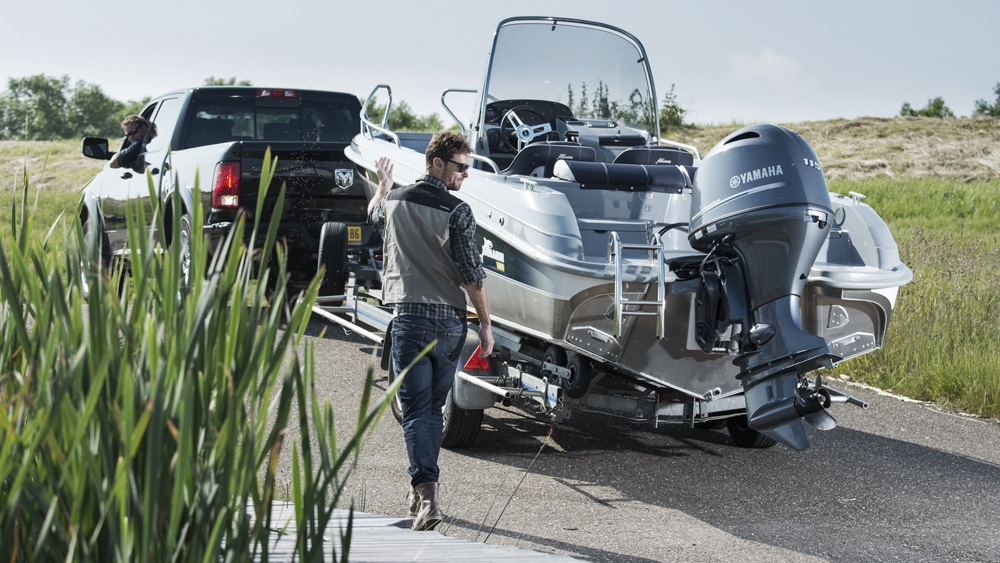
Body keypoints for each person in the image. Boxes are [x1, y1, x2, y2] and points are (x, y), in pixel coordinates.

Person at [367, 131, 495, 531]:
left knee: (418, 413)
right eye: (460, 167)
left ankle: (426, 495)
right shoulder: (457, 211)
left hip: (412, 322)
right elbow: (472, 274)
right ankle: (423, 491)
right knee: (431, 412)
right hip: (451, 324)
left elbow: (373, 215)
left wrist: (383, 185)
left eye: (467, 168)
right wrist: (485, 323)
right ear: (437, 163)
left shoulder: (394, 201)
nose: (465, 175)